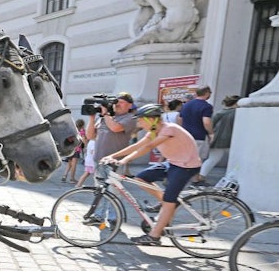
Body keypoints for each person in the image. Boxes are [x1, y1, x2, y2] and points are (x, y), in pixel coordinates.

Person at [101, 103, 202, 246]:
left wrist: (124, 161)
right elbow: (136, 146)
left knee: (169, 201)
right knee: (141, 178)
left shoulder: (169, 129)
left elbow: (147, 147)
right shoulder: (153, 131)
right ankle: (167, 203)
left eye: (141, 119)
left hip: (186, 167)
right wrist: (113, 156)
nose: (139, 122)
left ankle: (154, 236)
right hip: (173, 163)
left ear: (151, 120)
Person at [85, 92, 137, 183]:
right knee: (99, 191)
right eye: (116, 102)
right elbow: (90, 136)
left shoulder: (130, 118)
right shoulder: (105, 117)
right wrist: (92, 118)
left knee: (113, 192)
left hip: (115, 162)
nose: (117, 104)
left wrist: (105, 114)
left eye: (121, 102)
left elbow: (115, 128)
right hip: (99, 160)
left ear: (130, 105)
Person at [196, 94, 239, 185]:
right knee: (236, 160)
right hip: (230, 140)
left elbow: (211, 125)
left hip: (217, 139)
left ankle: (201, 176)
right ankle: (231, 178)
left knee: (212, 159)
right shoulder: (237, 113)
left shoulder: (219, 113)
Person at [178, 85, 213, 172]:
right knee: (196, 159)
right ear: (207, 93)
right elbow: (206, 122)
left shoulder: (186, 105)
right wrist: (211, 133)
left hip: (185, 134)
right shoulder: (207, 106)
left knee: (184, 157)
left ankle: (175, 176)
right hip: (199, 135)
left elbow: (179, 118)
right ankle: (195, 179)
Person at [61, 119, 86, 183]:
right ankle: (72, 178)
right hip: (76, 149)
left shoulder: (72, 130)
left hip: (70, 148)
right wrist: (85, 145)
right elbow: (83, 140)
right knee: (74, 164)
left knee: (69, 163)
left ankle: (64, 175)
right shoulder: (82, 131)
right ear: (82, 125)